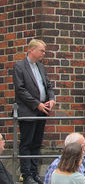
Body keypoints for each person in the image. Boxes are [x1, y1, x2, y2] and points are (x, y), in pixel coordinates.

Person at [13, 39, 56, 184]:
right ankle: (26, 175)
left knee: (37, 143)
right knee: (27, 143)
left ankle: (34, 172)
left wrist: (51, 98)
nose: (44, 53)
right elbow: (20, 90)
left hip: (42, 110)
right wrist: (36, 104)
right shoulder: (20, 67)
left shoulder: (41, 67)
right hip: (28, 111)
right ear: (32, 50)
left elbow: (48, 85)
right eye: (42, 50)